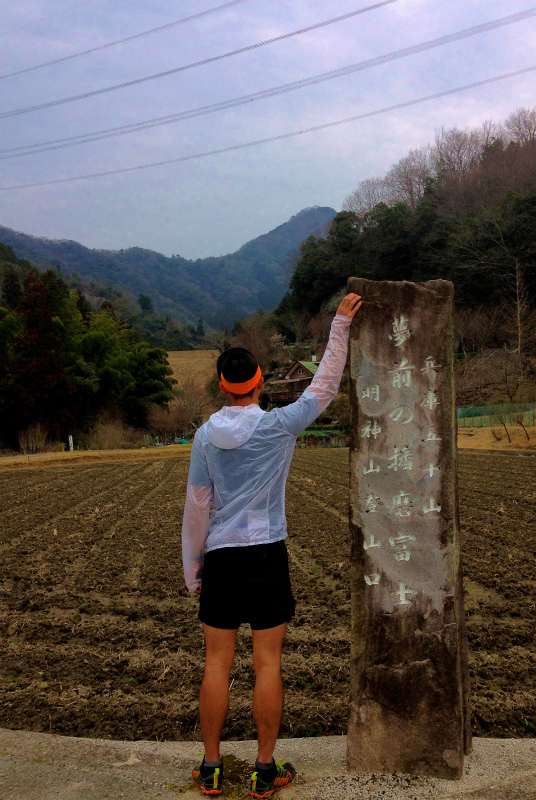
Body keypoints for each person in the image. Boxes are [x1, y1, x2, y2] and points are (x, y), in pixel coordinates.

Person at [181, 293, 361, 797]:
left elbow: (198, 507)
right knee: (268, 664)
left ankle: (211, 767)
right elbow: (324, 386)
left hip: (219, 557)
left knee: (216, 663)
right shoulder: (280, 425)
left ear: (222, 385)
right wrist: (340, 323)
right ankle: (265, 770)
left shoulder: (202, 438)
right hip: (265, 554)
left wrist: (193, 570)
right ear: (259, 382)